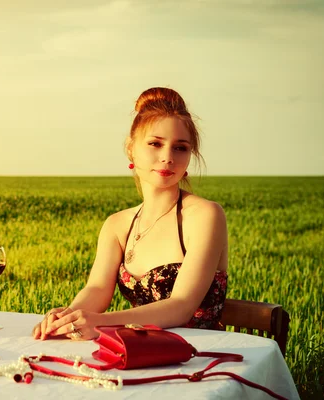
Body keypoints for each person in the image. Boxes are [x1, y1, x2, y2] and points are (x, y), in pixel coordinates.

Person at [32, 87, 228, 341]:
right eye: (155, 144)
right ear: (131, 148)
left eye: (180, 148)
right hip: (140, 352)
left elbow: (182, 306)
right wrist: (69, 316)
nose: (167, 158)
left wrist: (101, 323)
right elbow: (98, 288)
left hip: (199, 357)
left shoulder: (204, 215)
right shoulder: (117, 224)